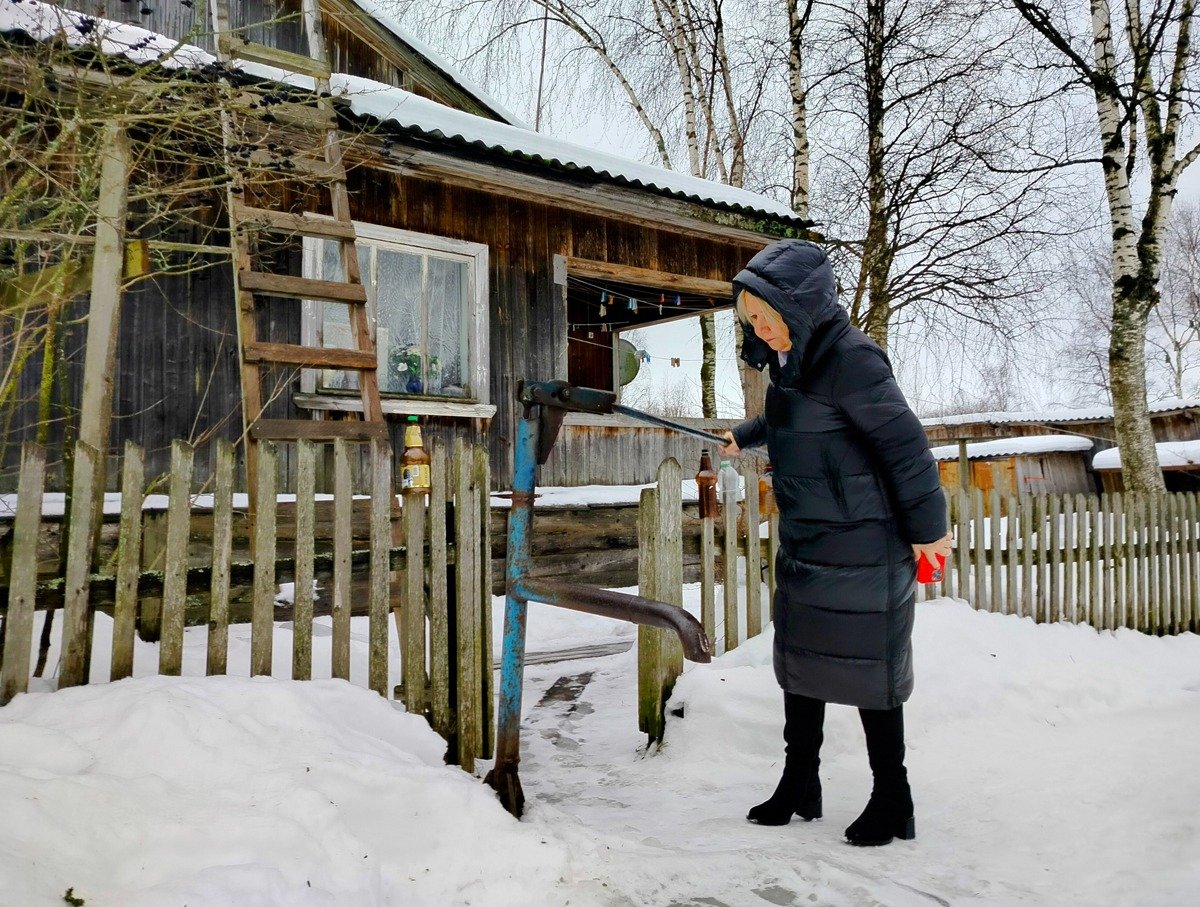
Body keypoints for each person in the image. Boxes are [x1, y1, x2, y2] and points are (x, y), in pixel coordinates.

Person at [719, 239, 952, 847]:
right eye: (751, 321)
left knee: (868, 668)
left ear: (802, 305)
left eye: (768, 315)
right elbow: (793, 416)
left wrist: (929, 530)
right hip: (808, 540)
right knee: (802, 666)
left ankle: (892, 797)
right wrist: (748, 434)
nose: (762, 329)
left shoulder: (854, 359)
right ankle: (801, 782)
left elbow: (906, 451)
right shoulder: (792, 363)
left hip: (866, 544)